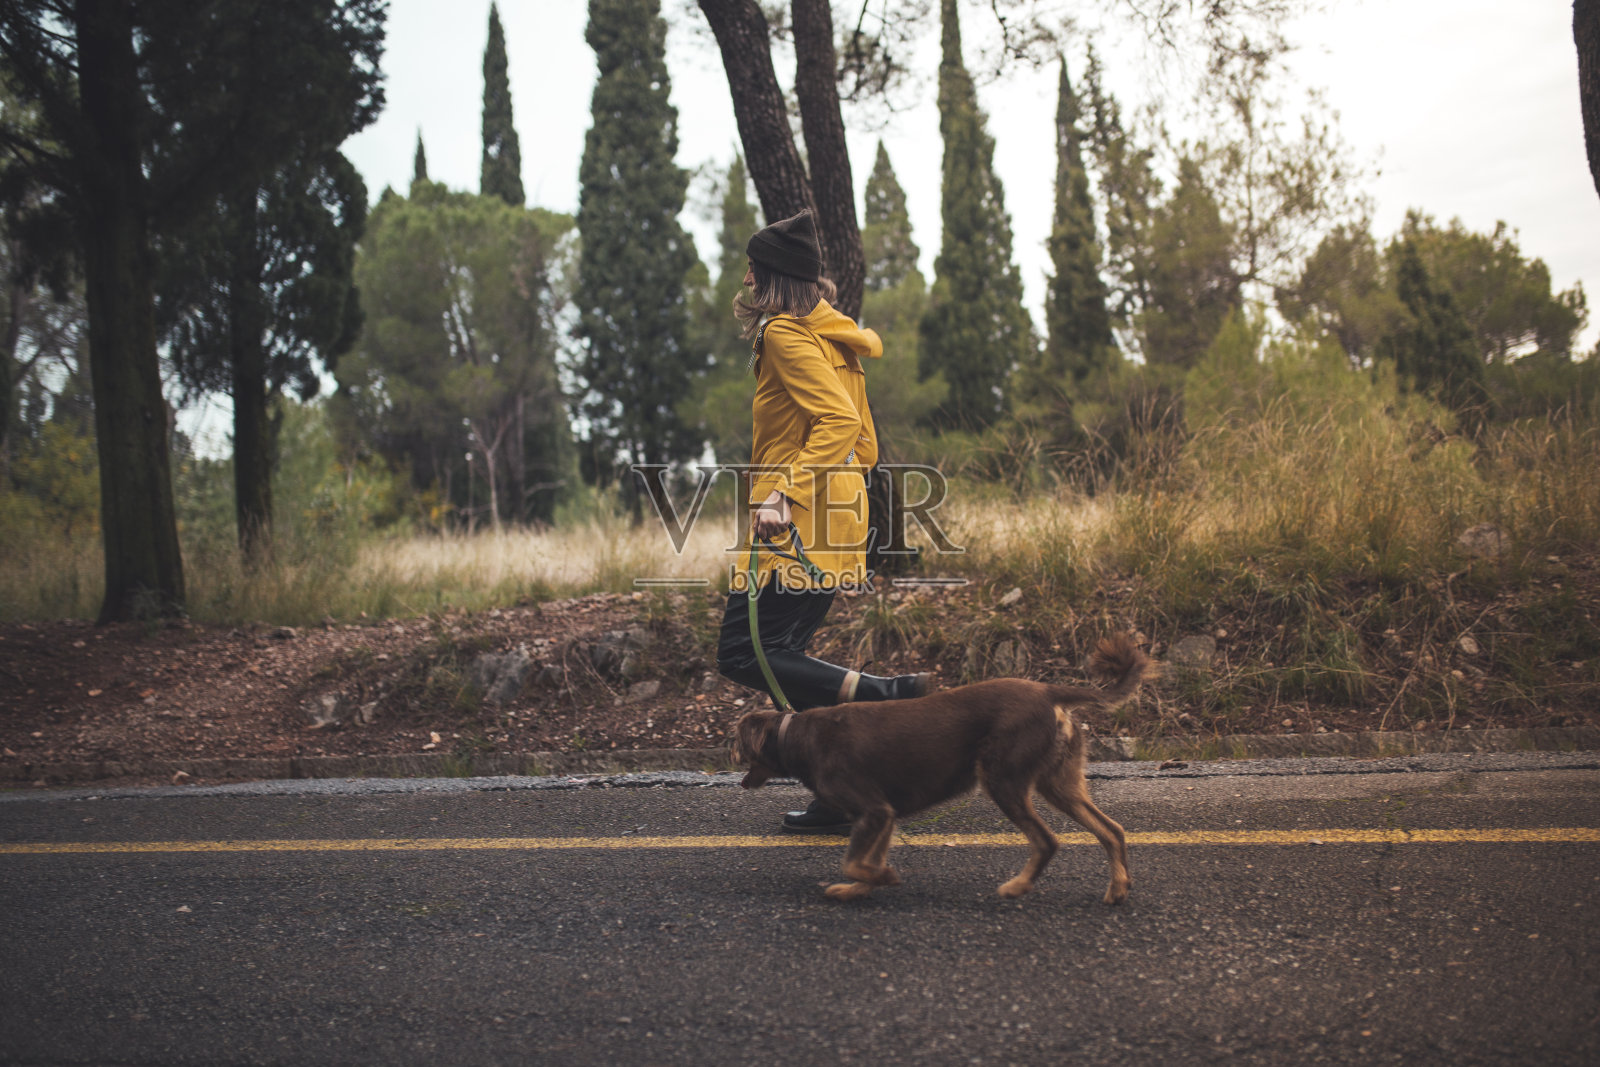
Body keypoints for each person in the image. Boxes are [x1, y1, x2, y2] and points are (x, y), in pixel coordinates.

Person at [714, 209, 930, 834]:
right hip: (833, 519)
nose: (747, 276)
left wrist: (781, 492)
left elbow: (836, 424)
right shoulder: (835, 336)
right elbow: (861, 443)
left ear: (772, 276)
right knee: (785, 652)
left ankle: (887, 698)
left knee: (744, 650)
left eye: (755, 266)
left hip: (797, 522)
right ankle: (838, 795)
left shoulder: (785, 335)